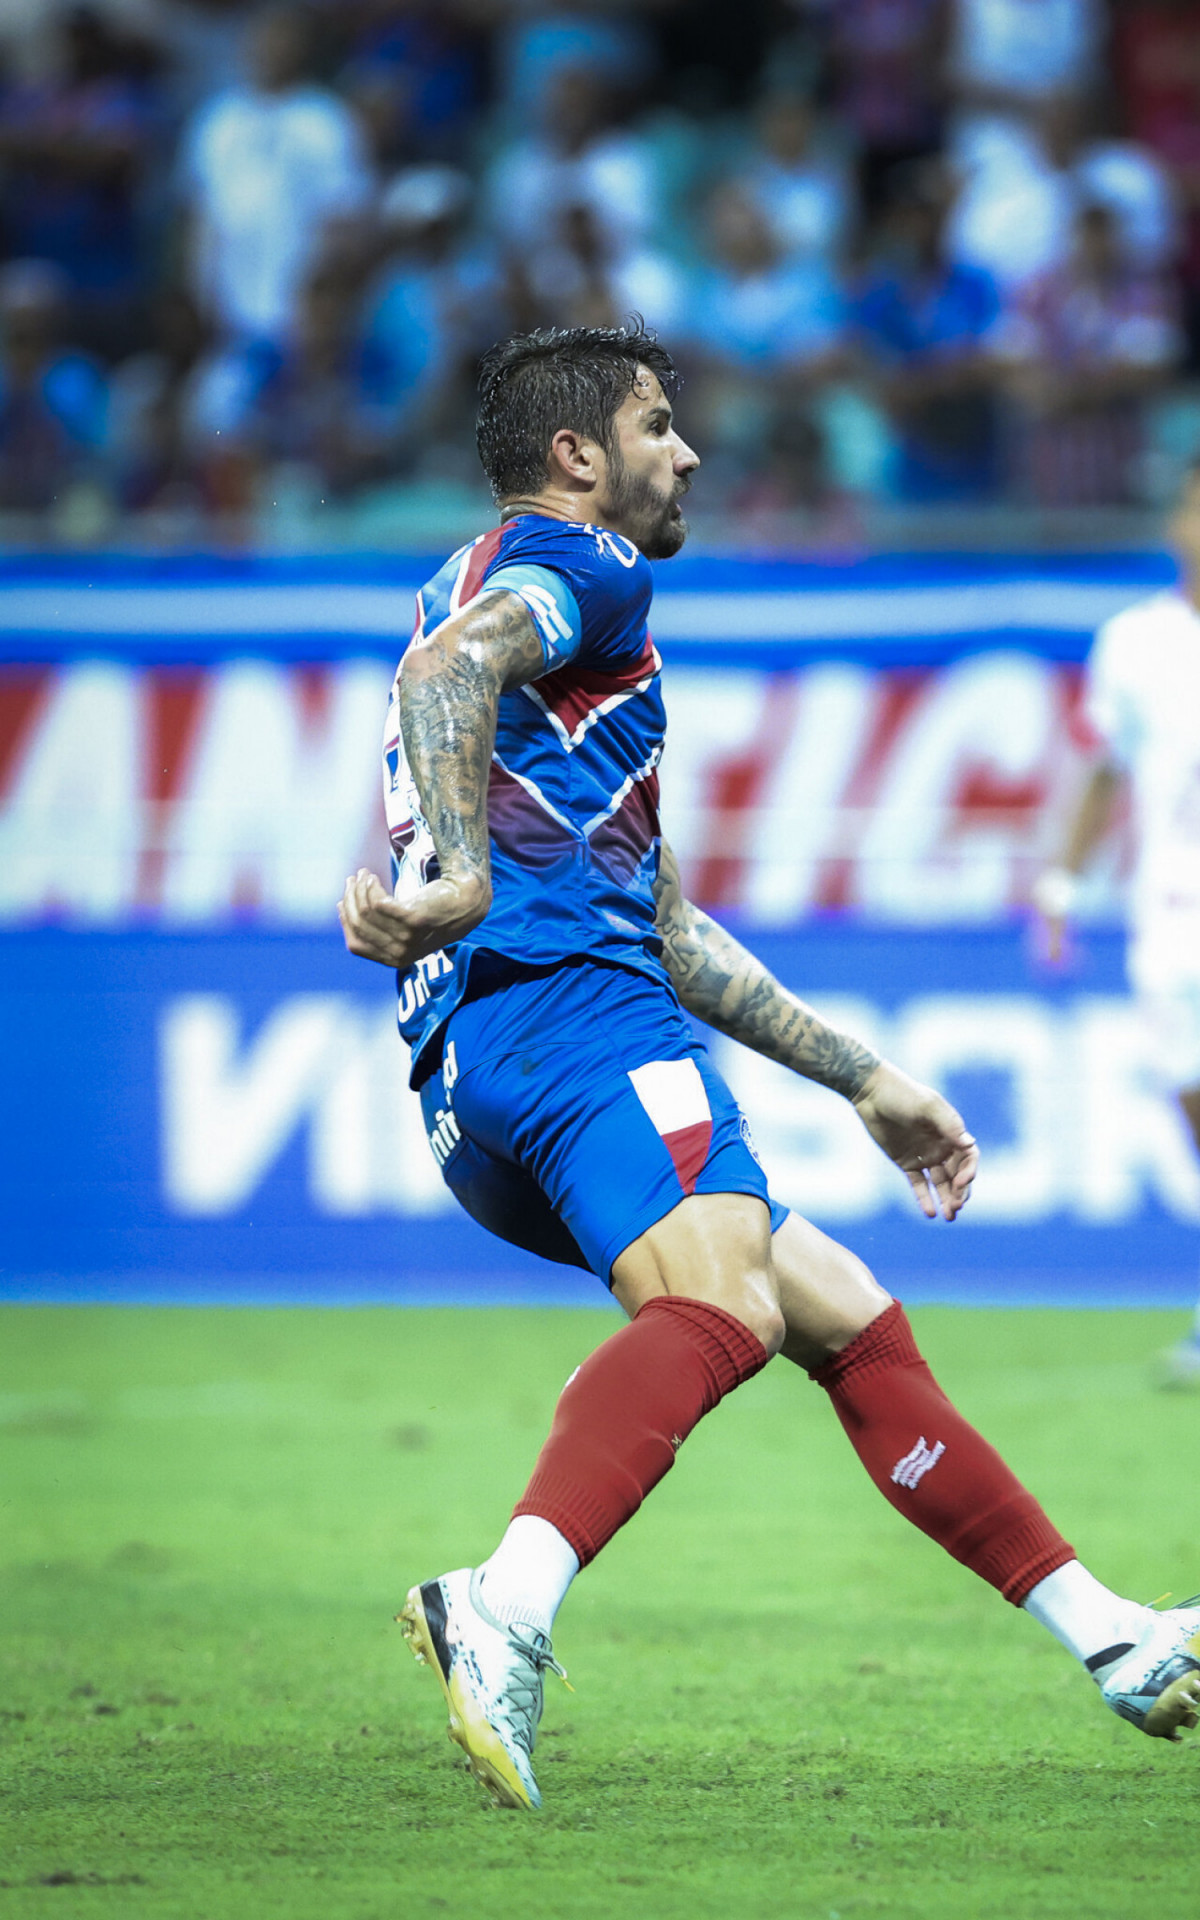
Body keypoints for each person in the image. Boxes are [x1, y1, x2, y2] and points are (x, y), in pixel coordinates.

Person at [338, 322, 1200, 1812]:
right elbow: (449, 674)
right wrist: (466, 878)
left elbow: (662, 916)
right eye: (656, 425)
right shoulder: (592, 569)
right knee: (723, 1306)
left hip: (483, 1075)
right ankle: (502, 1602)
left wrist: (860, 1075)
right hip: (574, 1022)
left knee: (849, 1321)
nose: (687, 453)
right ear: (577, 457)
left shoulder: (468, 584)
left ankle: (1111, 1635)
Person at [1034, 460, 1200, 1386]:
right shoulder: (1137, 643)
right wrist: (1062, 884)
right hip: (1171, 912)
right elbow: (1103, 769)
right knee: (1191, 1100)